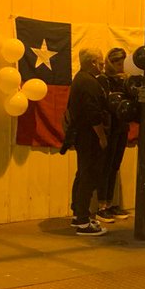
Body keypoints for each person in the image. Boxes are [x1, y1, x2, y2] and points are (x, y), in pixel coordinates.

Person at [61, 47, 110, 237]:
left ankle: (78, 213)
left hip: (83, 136)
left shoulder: (80, 79)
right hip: (89, 137)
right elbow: (93, 114)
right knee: (89, 175)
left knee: (82, 174)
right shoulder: (89, 83)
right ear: (92, 63)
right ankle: (83, 220)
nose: (103, 66)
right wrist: (102, 136)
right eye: (101, 62)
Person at [94, 47, 131, 223]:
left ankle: (109, 202)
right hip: (110, 128)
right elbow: (103, 104)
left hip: (122, 127)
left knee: (115, 166)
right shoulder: (103, 80)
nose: (120, 66)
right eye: (117, 63)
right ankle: (101, 205)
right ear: (110, 63)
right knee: (105, 166)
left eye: (122, 63)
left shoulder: (125, 80)